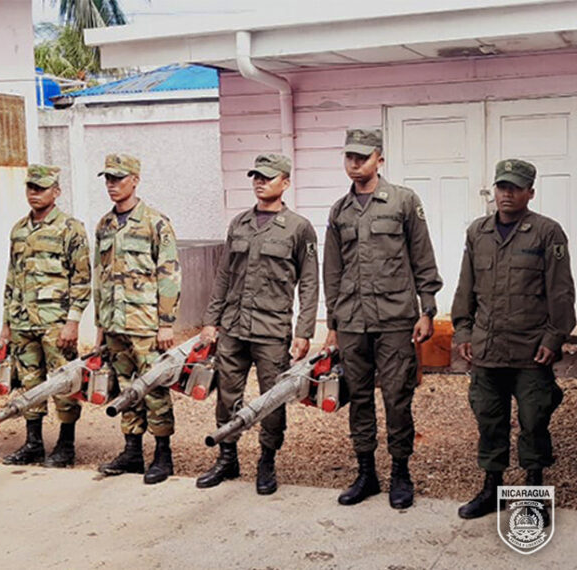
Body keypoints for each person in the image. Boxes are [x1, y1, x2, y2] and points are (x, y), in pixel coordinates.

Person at [323, 128, 442, 509]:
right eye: (349, 157)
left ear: (379, 159)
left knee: (396, 397)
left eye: (362, 157)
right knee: (358, 398)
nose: (354, 164)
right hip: (353, 320)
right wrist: (333, 323)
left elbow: (423, 258)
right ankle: (366, 473)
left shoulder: (403, 201)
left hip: (394, 318)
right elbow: (332, 270)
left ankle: (401, 474)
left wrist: (427, 310)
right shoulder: (339, 211)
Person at [452, 159, 575, 524]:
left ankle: (533, 493)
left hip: (530, 350)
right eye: (501, 187)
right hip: (488, 348)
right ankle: (491, 489)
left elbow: (562, 292)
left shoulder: (547, 232)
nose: (506, 194)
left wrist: (554, 337)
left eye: (515, 188)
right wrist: (462, 331)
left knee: (534, 421)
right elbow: (466, 288)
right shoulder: (478, 232)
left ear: (529, 193)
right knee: (490, 420)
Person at [196, 153, 319, 495]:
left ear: (285, 182)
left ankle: (267, 460)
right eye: (255, 176)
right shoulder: (239, 223)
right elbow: (223, 275)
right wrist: (211, 321)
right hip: (234, 327)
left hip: (272, 329)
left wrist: (304, 331)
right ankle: (227, 457)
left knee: (271, 399)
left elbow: (310, 282)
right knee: (227, 395)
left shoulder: (298, 228)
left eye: (267, 176)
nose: (259, 182)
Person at [94, 153, 181, 485]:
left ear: (135, 180)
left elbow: (169, 274)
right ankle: (132, 451)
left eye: (118, 178)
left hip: (145, 322)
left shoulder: (155, 222)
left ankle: (162, 453)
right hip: (115, 322)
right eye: (108, 179)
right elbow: (99, 278)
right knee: (126, 387)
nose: (112, 185)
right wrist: (100, 327)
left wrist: (166, 322)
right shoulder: (104, 224)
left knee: (154, 387)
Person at [0, 164, 91, 467]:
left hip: (56, 323)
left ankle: (66, 445)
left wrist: (73, 320)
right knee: (29, 382)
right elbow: (12, 279)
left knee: (64, 383)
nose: (34, 193)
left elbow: (81, 278)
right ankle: (33, 443)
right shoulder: (19, 230)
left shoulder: (70, 229)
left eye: (41, 188)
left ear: (56, 192)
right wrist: (6, 325)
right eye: (30, 188)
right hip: (23, 321)